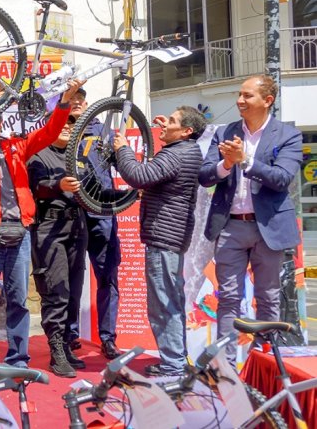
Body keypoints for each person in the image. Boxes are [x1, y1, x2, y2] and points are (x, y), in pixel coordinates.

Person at [0, 78, 83, 381]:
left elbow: (50, 132)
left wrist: (65, 101)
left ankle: (17, 358)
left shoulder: (17, 146)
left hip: (20, 231)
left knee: (18, 300)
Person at [198, 74, 303, 361]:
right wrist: (225, 164)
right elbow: (205, 176)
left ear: (267, 101)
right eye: (239, 94)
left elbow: (281, 179)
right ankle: (225, 369)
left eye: (247, 96)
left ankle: (264, 361)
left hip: (268, 227)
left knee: (268, 297)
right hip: (230, 226)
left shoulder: (287, 135)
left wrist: (245, 161)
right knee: (229, 298)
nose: (239, 101)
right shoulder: (225, 132)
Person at [113, 106, 206, 376]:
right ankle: (176, 360)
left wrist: (122, 149)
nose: (166, 124)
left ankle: (174, 365)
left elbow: (138, 176)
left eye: (173, 121)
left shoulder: (177, 154)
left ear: (187, 131)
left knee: (163, 304)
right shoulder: (186, 149)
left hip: (164, 237)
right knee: (170, 301)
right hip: (170, 236)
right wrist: (168, 127)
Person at [27, 115, 88, 378]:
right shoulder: (38, 155)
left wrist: (130, 194)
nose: (66, 127)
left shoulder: (78, 158)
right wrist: (58, 185)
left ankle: (65, 343)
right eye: (62, 122)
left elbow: (95, 191)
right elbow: (37, 186)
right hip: (50, 229)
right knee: (56, 291)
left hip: (78, 228)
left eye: (71, 124)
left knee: (74, 292)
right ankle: (56, 352)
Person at [68, 88, 122, 359]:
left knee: (108, 277)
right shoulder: (56, 131)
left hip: (102, 212)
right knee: (69, 278)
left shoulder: (104, 132)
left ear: (87, 104)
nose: (76, 103)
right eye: (71, 100)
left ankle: (108, 337)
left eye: (81, 100)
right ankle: (69, 334)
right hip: (71, 212)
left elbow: (125, 164)